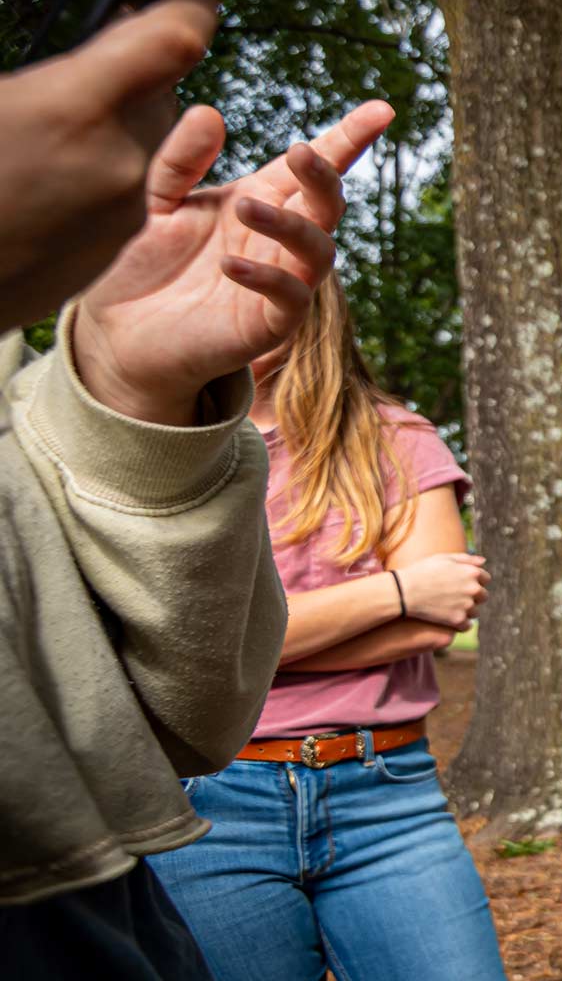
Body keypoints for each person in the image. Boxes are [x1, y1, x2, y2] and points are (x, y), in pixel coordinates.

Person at [0, 0, 394, 979]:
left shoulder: (38, 389)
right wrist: (396, 589)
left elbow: (180, 713)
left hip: (115, 904)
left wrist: (132, 388)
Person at [148, 270, 505, 981]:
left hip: (387, 793)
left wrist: (240, 648)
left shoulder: (396, 438)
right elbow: (176, 651)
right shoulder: (157, 453)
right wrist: (401, 589)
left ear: (307, 303)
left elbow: (440, 620)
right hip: (209, 803)